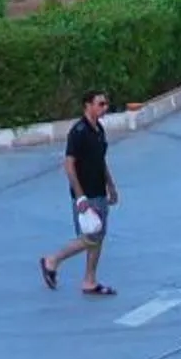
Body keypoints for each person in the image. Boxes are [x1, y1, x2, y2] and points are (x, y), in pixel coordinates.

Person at [38, 92, 120, 297]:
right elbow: (69, 165)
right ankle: (53, 260)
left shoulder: (98, 129)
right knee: (89, 237)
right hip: (86, 193)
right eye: (100, 104)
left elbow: (101, 160)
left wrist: (111, 185)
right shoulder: (79, 131)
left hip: (99, 190)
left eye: (106, 104)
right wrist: (80, 196)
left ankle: (89, 281)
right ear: (88, 105)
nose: (105, 107)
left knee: (98, 237)